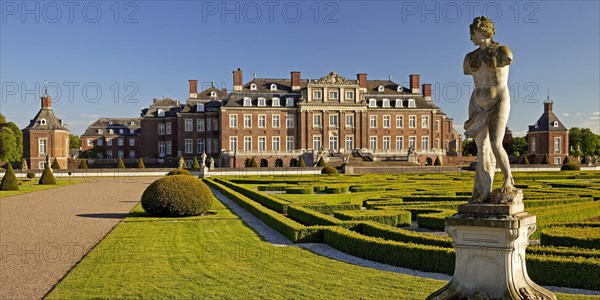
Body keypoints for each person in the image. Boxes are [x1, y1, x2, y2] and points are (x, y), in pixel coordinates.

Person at [463, 16, 514, 203]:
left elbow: (508, 60)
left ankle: (508, 178)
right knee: (481, 149)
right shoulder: (470, 58)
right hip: (477, 102)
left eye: (473, 34)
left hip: (499, 100)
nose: (471, 39)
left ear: (483, 31)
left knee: (495, 142)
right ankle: (483, 191)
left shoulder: (502, 52)